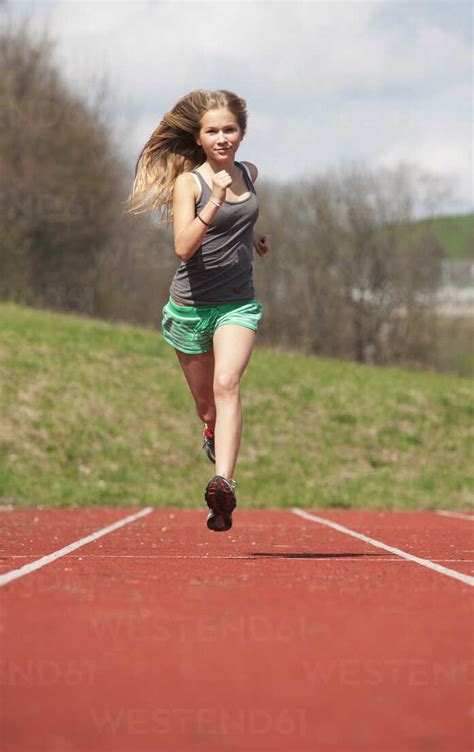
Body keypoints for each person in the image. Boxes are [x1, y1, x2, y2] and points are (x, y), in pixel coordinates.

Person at [127, 89, 271, 532]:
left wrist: (253, 239)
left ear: (242, 134)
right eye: (213, 131)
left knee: (228, 385)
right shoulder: (189, 183)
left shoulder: (249, 172)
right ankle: (210, 432)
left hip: (237, 305)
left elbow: (240, 219)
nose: (222, 137)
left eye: (229, 129)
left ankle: (223, 486)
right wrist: (214, 200)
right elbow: (183, 246)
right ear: (200, 137)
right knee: (208, 407)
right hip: (190, 309)